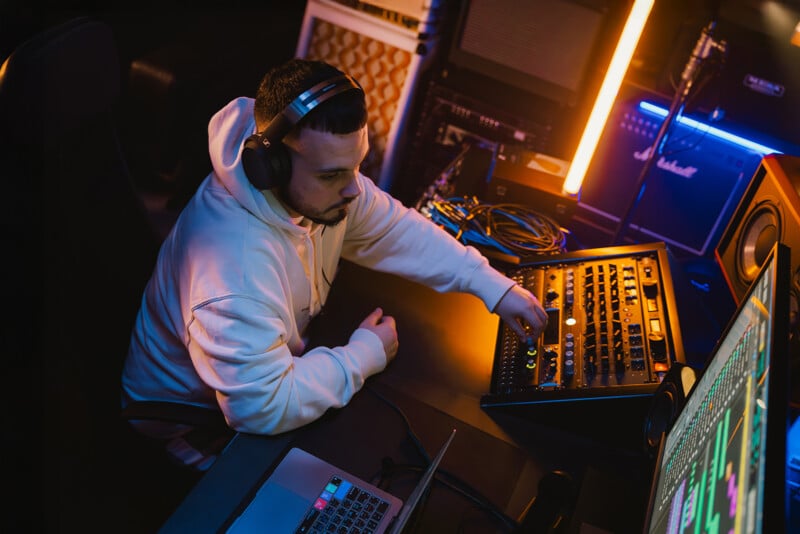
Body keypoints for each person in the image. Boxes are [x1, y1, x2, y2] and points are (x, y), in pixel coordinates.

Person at [121, 58, 547, 470]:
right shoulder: (233, 274)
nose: (354, 190)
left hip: (264, 365)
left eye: (356, 167)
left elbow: (393, 229)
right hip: (192, 423)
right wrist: (364, 355)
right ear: (269, 165)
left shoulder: (320, 191)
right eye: (331, 175)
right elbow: (261, 407)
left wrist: (490, 284)